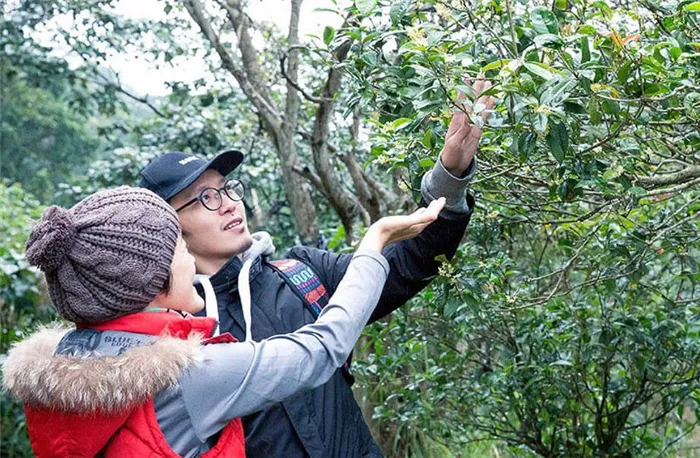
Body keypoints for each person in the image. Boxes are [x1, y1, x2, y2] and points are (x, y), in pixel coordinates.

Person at [138, 79, 495, 457]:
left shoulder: (299, 273)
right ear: (168, 226)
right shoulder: (169, 341)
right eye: (205, 198)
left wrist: (450, 178)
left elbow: (409, 262)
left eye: (227, 188)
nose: (228, 204)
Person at [1, 186, 445, 458]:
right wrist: (374, 242)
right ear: (154, 280)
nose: (187, 257)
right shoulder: (187, 376)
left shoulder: (67, 364)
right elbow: (321, 351)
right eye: (177, 247)